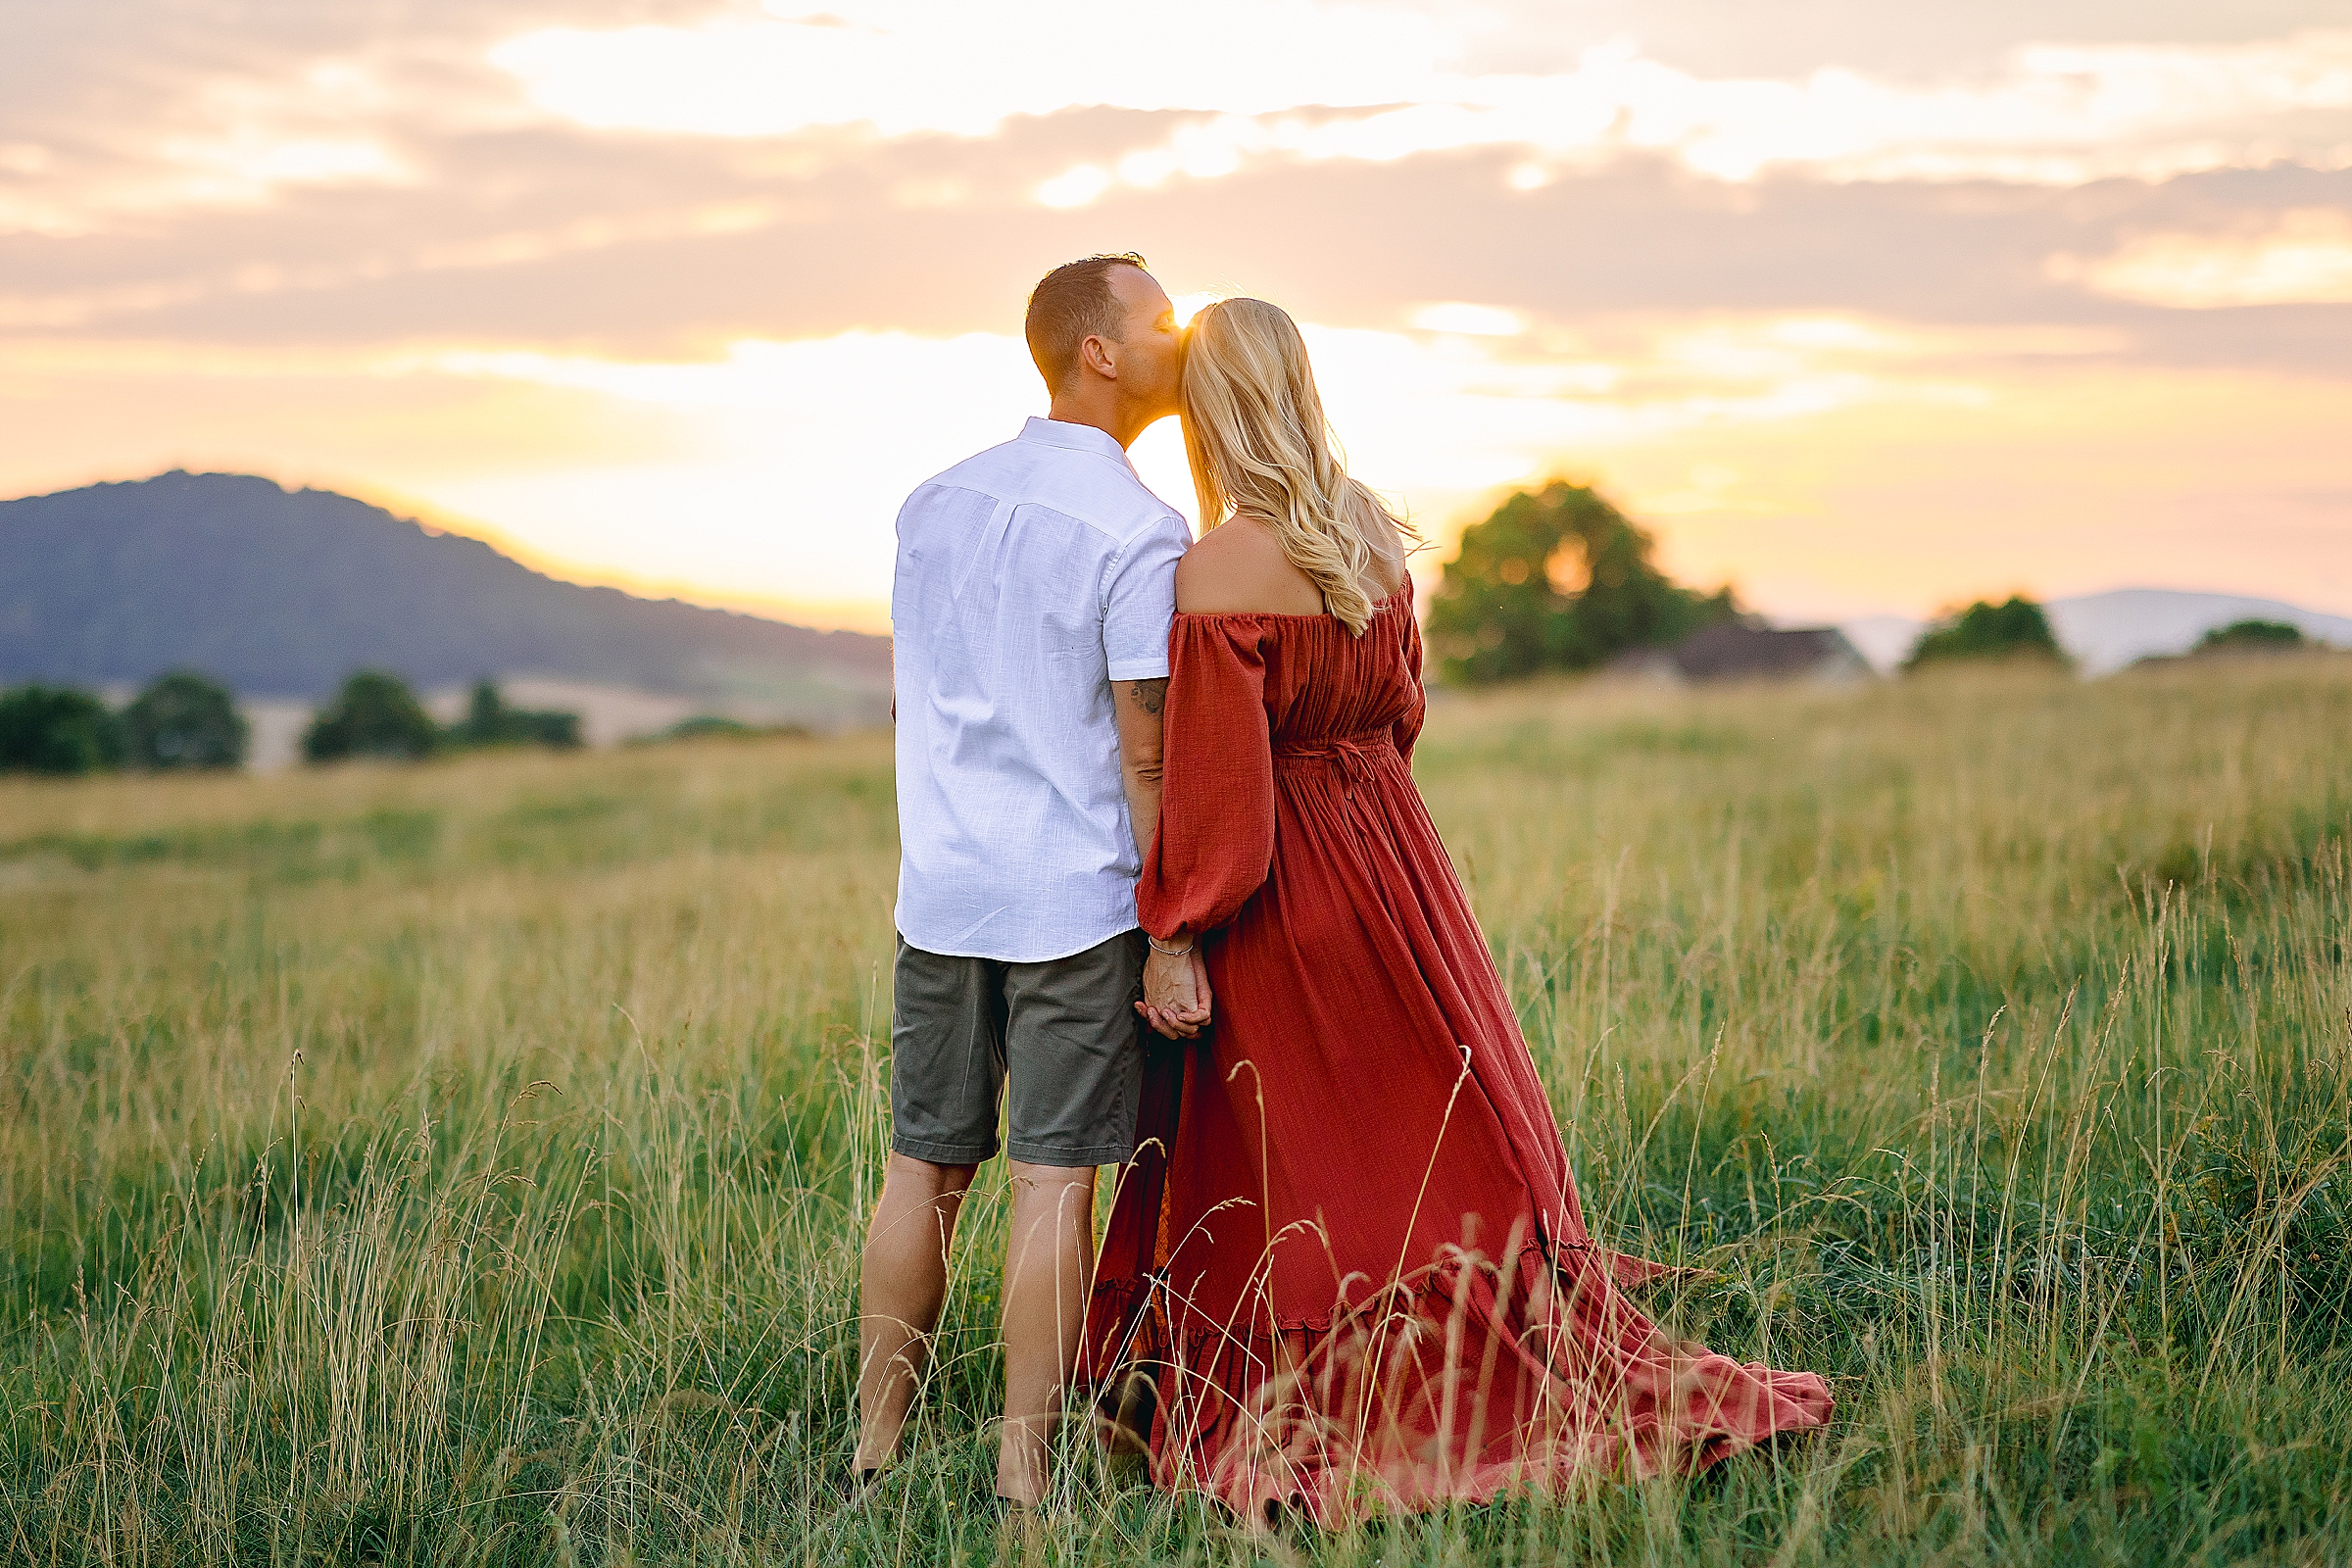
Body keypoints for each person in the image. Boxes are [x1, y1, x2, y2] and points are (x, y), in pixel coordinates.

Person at [1087, 298, 1835, 1524]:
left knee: (1315, 1159)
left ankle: (1341, 1390)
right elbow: (1402, 716)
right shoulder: (1370, 532)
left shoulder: (1216, 567)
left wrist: (1175, 930)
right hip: (1395, 863)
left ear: (1208, 407)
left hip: (1290, 885)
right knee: (1431, 1128)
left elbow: (1220, 790)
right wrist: (1374, 832)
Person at [857, 253, 1212, 1509]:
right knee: (1053, 1180)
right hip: (1072, 899)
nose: (1179, 337)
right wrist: (1171, 929)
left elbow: (914, 699)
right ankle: (1020, 1475)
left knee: (922, 1168)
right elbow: (1147, 748)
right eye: (1158, 320)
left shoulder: (930, 502)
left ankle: (875, 1453)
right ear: (1097, 353)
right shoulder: (1140, 529)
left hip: (941, 892)